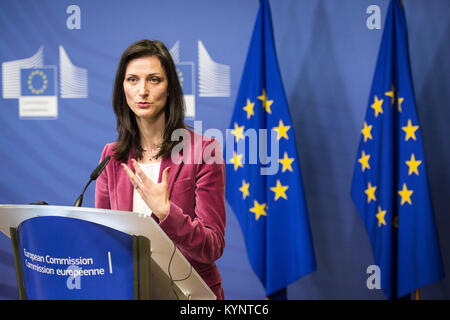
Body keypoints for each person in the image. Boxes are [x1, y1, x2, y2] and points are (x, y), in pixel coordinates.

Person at [95, 39, 226, 299]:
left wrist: (167, 212)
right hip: (131, 291)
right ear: (122, 88)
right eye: (132, 79)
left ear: (170, 89)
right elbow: (103, 238)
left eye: (154, 79)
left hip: (190, 295)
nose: (142, 90)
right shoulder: (111, 156)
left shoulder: (203, 150)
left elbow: (212, 247)